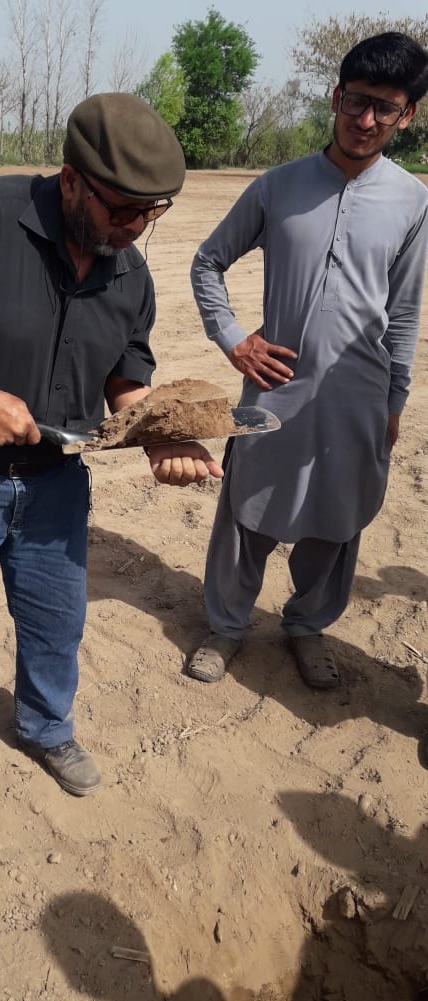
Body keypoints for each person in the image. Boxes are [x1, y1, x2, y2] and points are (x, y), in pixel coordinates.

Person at [0, 92, 223, 844]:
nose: (135, 227)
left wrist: (161, 435)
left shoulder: (130, 275)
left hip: (56, 483)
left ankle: (45, 727)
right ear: (71, 181)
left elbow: (127, 379)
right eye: (123, 209)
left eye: (151, 212)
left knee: (57, 621)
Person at [187, 32, 428, 690]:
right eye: (356, 101)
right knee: (247, 507)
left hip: (359, 395)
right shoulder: (278, 186)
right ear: (335, 96)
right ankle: (226, 625)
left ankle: (307, 624)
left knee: (337, 515)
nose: (366, 120)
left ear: (408, 115)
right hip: (275, 388)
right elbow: (207, 262)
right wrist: (234, 338)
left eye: (386, 107)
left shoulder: (412, 201)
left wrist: (395, 401)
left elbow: (405, 312)